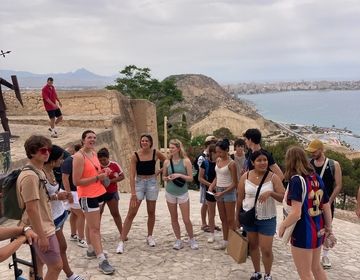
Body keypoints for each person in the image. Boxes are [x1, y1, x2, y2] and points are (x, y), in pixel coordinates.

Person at [279, 146, 332, 280]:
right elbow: (326, 206)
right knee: (316, 268)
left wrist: (283, 225)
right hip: (318, 229)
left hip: (303, 231)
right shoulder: (316, 178)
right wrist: (329, 228)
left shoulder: (296, 181)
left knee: (305, 273)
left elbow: (296, 213)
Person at [16, 135, 63, 280]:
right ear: (32, 152)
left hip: (41, 226)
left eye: (48, 149)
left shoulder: (38, 172)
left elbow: (42, 199)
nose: (47, 153)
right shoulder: (31, 176)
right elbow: (31, 209)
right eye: (43, 150)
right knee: (56, 266)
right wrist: (42, 237)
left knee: (38, 263)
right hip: (42, 229)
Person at [237, 150, 284, 280]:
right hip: (249, 217)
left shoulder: (273, 177)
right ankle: (257, 272)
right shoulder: (245, 177)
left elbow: (283, 197)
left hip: (267, 217)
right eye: (259, 160)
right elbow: (240, 199)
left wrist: (271, 193)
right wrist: (237, 218)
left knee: (266, 249)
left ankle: (268, 274)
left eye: (265, 160)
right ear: (253, 162)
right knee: (253, 246)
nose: (263, 163)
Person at [72, 130, 115, 275]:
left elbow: (95, 171)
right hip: (87, 196)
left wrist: (104, 172)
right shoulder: (78, 157)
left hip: (99, 193)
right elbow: (76, 181)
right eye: (89, 137)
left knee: (93, 226)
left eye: (94, 138)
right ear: (83, 139)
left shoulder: (94, 153)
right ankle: (102, 260)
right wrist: (98, 178)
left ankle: (91, 249)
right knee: (95, 228)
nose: (92, 140)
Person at [117, 134, 166, 254]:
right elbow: (132, 175)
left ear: (150, 142)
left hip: (152, 183)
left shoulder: (155, 153)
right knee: (131, 213)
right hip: (139, 183)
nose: (144, 142)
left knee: (151, 211)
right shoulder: (135, 156)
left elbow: (167, 161)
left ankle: (150, 236)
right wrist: (133, 193)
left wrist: (160, 172)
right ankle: (121, 241)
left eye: (146, 141)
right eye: (142, 140)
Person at [43, 145, 84, 280]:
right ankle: (69, 274)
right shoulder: (41, 174)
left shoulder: (51, 171)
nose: (62, 162)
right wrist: (57, 196)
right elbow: (40, 198)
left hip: (57, 215)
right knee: (50, 255)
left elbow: (52, 191)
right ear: (52, 159)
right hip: (48, 219)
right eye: (60, 159)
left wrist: (61, 194)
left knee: (61, 247)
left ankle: (69, 274)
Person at [306, 139, 342, 269]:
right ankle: (312, 252)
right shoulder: (309, 164)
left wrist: (330, 201)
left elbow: (338, 185)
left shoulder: (333, 165)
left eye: (314, 151)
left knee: (327, 227)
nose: (312, 154)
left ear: (321, 150)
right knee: (311, 227)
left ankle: (325, 255)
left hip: (327, 203)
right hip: (312, 203)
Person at [163, 138, 199, 250]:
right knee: (174, 218)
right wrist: (167, 178)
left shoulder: (186, 161)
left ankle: (192, 239)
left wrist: (179, 175)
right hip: (170, 192)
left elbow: (190, 178)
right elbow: (164, 177)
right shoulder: (166, 162)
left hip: (182, 192)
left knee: (186, 219)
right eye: (170, 147)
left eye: (172, 147)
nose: (170, 150)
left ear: (178, 148)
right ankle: (178, 240)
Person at [209, 139, 237, 250]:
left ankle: (233, 244)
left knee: (230, 220)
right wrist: (212, 186)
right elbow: (218, 176)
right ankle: (225, 242)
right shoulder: (218, 161)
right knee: (223, 218)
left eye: (220, 152)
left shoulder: (232, 164)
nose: (218, 154)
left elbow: (235, 183)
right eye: (217, 152)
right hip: (219, 191)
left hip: (228, 192)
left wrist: (223, 192)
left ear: (226, 150)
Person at [97, 147, 125, 244]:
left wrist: (111, 181)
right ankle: (96, 234)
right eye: (100, 160)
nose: (102, 162)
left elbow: (122, 176)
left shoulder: (114, 165)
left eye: (104, 160)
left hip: (111, 192)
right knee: (98, 214)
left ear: (108, 158)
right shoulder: (96, 166)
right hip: (99, 193)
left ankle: (122, 233)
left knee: (115, 213)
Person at [61, 144, 87, 247]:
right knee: (81, 214)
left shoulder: (79, 160)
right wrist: (68, 194)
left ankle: (73, 234)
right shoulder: (69, 161)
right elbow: (65, 178)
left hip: (75, 191)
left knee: (75, 214)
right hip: (70, 191)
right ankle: (81, 238)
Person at [197, 135, 217, 232]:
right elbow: (200, 173)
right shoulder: (203, 158)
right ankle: (204, 223)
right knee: (205, 204)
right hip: (205, 185)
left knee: (211, 205)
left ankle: (211, 223)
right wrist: (210, 184)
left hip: (211, 185)